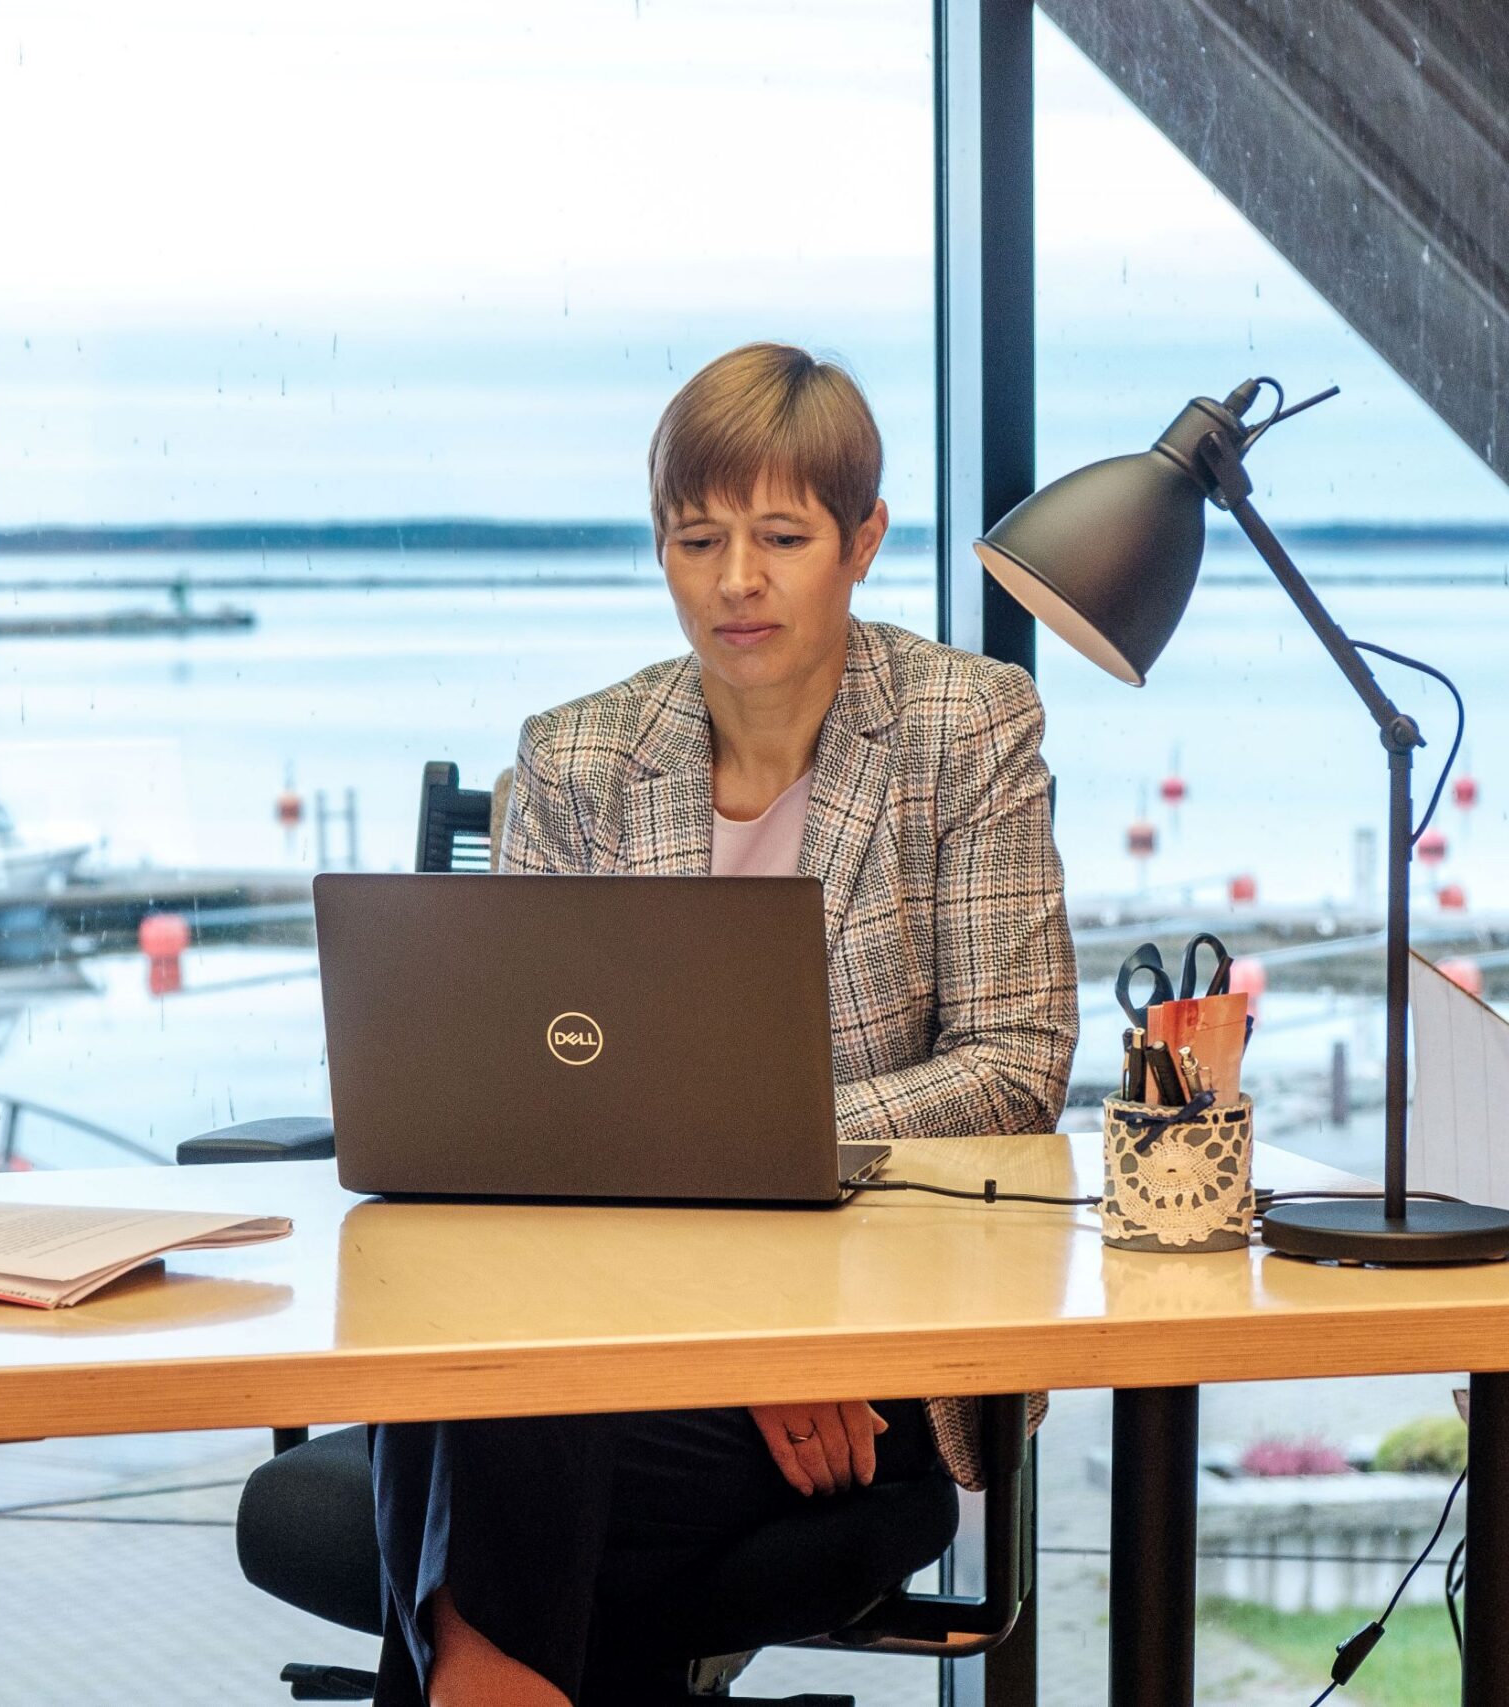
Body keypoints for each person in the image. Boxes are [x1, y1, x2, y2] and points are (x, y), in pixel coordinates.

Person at [369, 342, 1080, 1707]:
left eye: (781, 538)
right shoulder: (578, 757)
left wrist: (771, 1321)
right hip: (608, 1333)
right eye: (698, 540)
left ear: (864, 541)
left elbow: (1012, 1068)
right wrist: (721, 1332)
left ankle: (472, 1678)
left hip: (870, 1358)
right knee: (507, 1391)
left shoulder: (966, 727)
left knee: (477, 1406)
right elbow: (521, 1115)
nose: (736, 579)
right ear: (662, 550)